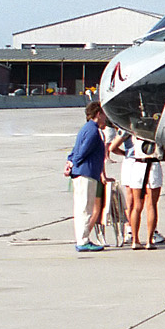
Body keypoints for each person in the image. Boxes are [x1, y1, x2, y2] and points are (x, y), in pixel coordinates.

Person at [65, 103, 110, 252]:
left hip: (80, 173)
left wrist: (70, 162)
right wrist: (74, 163)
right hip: (86, 173)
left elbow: (75, 149)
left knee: (79, 208)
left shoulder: (85, 129)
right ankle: (83, 240)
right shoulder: (93, 131)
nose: (105, 118)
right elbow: (83, 151)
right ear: (98, 114)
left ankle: (81, 238)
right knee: (85, 208)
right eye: (103, 114)